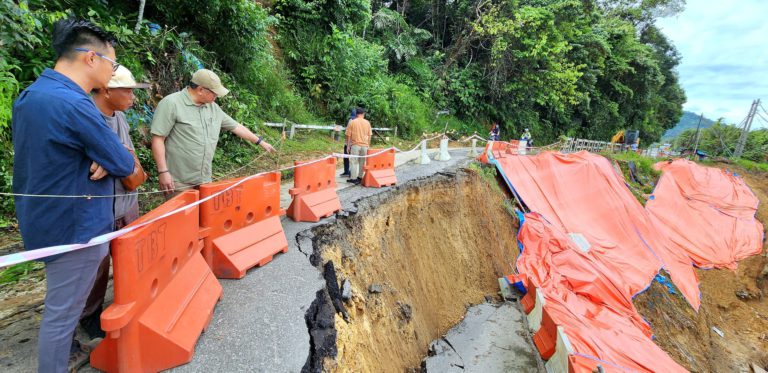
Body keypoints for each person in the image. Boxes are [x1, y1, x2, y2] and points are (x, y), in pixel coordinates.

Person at [12, 18, 135, 372]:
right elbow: (121, 162)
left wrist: (99, 155)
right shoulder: (75, 103)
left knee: (61, 304)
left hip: (43, 218)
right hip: (77, 227)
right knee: (62, 313)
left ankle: (70, 349)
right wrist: (108, 158)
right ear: (89, 58)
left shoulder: (32, 94)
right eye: (112, 63)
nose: (112, 73)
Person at [77, 66, 149, 349]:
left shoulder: (119, 117)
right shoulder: (85, 119)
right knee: (95, 265)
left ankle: (126, 305)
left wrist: (117, 157)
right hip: (99, 205)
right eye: (127, 90)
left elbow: (127, 153)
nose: (133, 96)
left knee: (129, 258)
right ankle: (89, 317)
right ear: (106, 90)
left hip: (126, 200)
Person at [150, 69, 275, 195]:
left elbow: (236, 127)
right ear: (200, 90)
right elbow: (158, 139)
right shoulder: (171, 103)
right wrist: (163, 172)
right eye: (214, 94)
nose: (216, 97)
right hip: (178, 182)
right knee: (182, 214)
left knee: (206, 214)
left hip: (204, 180)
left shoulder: (213, 108)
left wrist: (260, 142)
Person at [345, 107, 372, 184]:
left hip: (355, 145)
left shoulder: (352, 122)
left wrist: (348, 146)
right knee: (362, 162)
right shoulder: (367, 122)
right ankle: (360, 177)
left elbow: (348, 135)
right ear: (363, 114)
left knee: (353, 161)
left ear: (356, 114)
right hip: (365, 146)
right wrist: (368, 145)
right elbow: (370, 135)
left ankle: (353, 179)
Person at [340, 108, 356, 177]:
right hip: (355, 143)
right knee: (352, 158)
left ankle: (348, 172)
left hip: (349, 143)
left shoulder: (350, 121)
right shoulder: (358, 121)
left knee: (347, 157)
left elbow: (347, 134)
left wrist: (347, 144)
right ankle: (349, 172)